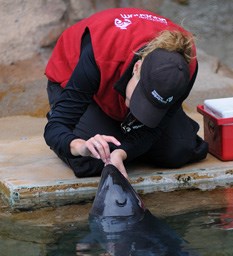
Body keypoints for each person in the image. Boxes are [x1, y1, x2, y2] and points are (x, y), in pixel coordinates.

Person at [44, 8, 208, 179]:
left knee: (178, 150)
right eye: (138, 99)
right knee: (92, 159)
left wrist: (122, 153)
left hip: (131, 81)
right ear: (137, 68)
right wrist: (79, 145)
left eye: (150, 106)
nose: (134, 108)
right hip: (77, 84)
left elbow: (154, 128)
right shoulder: (101, 51)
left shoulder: (183, 69)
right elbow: (57, 126)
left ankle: (120, 134)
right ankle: (101, 130)